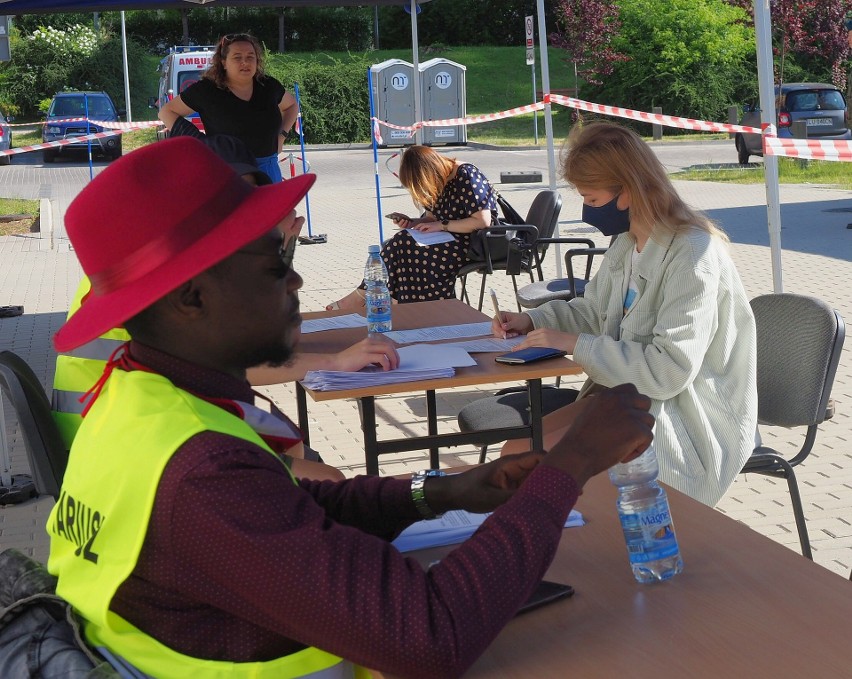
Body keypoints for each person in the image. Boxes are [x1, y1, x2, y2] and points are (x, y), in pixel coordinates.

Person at [47, 136, 655, 678]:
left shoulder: (137, 400)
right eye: (273, 264)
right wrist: (567, 465)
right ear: (191, 299)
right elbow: (431, 638)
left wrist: (444, 493)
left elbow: (296, 508)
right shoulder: (201, 471)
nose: (296, 283)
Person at [51, 133, 398, 481]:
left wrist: (274, 253)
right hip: (122, 446)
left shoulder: (152, 272)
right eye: (237, 213)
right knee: (327, 479)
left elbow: (273, 337)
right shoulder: (168, 285)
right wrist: (335, 362)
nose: (249, 220)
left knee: (314, 466)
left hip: (112, 433)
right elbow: (241, 365)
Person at [494, 122, 758, 508]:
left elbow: (669, 371)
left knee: (539, 470)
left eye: (593, 201)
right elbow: (595, 310)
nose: (587, 212)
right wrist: (535, 321)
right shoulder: (628, 241)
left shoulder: (693, 255)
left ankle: (568, 551)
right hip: (629, 396)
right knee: (515, 454)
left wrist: (575, 345)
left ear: (630, 191)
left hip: (686, 414)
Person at [329, 145, 498, 309]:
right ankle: (400, 306)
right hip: (447, 238)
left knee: (405, 245)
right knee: (401, 243)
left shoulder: (466, 174)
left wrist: (441, 225)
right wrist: (412, 223)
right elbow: (433, 218)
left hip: (473, 241)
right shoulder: (438, 179)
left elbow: (482, 222)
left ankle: (371, 297)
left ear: (428, 173)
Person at [158, 32, 297, 182]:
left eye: (250, 56)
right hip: (227, 172)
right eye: (237, 57)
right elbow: (166, 112)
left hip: (268, 170)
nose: (245, 62)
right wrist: (201, 144)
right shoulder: (207, 90)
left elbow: (292, 106)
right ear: (223, 62)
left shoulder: (269, 86)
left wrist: (282, 136)